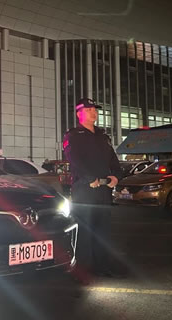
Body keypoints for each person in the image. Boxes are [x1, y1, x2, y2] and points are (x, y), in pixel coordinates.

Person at [63, 98, 122, 284]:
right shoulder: (73, 135)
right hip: (84, 190)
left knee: (102, 231)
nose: (93, 113)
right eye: (88, 110)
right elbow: (74, 159)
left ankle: (102, 267)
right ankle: (82, 271)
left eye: (94, 110)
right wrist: (89, 178)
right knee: (84, 232)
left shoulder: (102, 136)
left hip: (103, 191)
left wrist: (116, 176)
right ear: (79, 114)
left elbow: (113, 160)